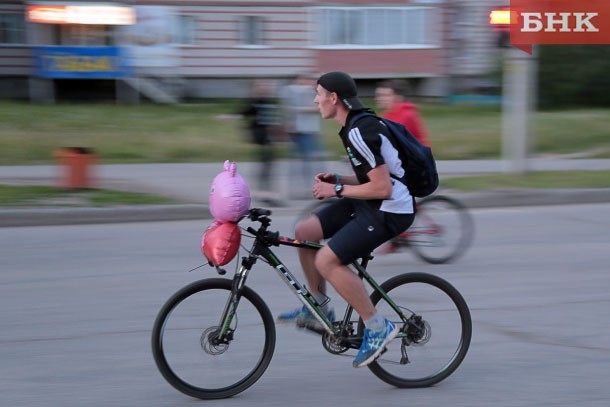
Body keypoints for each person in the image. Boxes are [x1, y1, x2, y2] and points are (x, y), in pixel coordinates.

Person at [277, 71, 416, 368]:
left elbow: (383, 187)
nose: (315, 99)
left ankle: (378, 327)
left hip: (390, 209)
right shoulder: (353, 126)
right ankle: (319, 307)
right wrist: (339, 179)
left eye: (318, 93)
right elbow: (374, 177)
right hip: (371, 200)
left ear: (334, 98)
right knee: (305, 231)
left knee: (326, 261)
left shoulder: (358, 131)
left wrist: (337, 189)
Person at [241, 79, 282, 206]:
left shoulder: (267, 101)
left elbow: (274, 119)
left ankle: (265, 193)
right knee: (266, 167)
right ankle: (265, 194)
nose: (264, 88)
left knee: (268, 166)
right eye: (260, 86)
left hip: (269, 139)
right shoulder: (254, 102)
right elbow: (245, 114)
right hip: (263, 139)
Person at [280, 74, 323, 193]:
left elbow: (316, 108)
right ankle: (300, 187)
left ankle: (311, 186)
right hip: (298, 131)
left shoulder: (313, 92)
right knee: (301, 161)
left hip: (310, 131)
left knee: (311, 160)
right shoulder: (292, 91)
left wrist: (299, 109)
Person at [374, 79, 430, 146]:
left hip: (414, 155)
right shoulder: (386, 115)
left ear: (399, 97)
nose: (379, 98)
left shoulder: (406, 115)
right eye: (378, 95)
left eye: (385, 95)